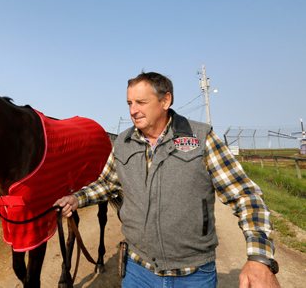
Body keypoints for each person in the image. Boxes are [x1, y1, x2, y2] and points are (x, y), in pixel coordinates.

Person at [54, 72, 280, 287]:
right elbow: (107, 184)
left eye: (140, 102)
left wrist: (259, 258)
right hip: (137, 272)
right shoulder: (123, 143)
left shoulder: (200, 138)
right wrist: (77, 198)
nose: (133, 110)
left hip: (193, 275)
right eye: (129, 103)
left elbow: (244, 195)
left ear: (165, 101)